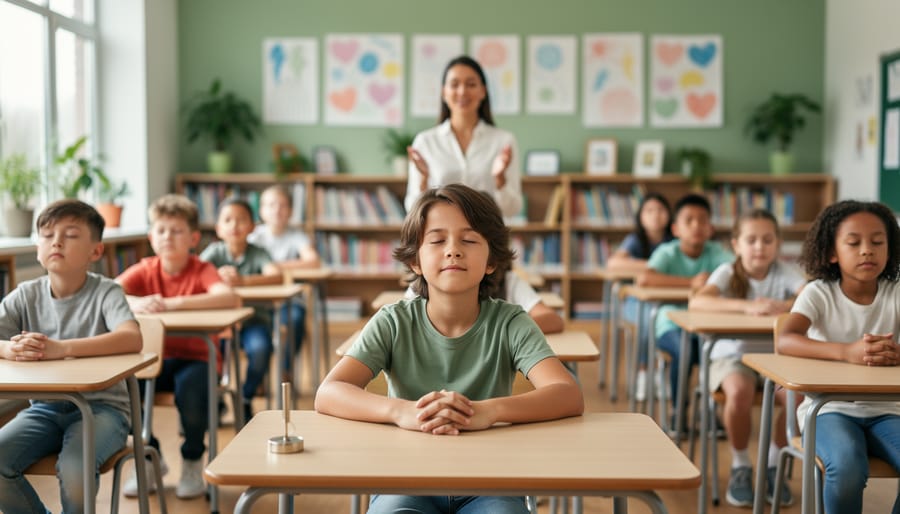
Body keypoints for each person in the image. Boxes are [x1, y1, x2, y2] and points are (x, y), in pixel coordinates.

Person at [315, 184, 583, 514]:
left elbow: (568, 393)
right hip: (406, 478)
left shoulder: (511, 321)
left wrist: (489, 411)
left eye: (469, 240)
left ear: (491, 262)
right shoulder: (393, 321)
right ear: (415, 261)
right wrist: (401, 412)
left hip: (491, 481)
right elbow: (328, 392)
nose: (453, 250)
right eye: (438, 240)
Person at [0, 200, 143, 514]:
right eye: (47, 235)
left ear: (96, 252)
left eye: (71, 234)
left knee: (75, 471)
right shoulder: (25, 294)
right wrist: (8, 348)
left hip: (103, 410)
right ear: (37, 248)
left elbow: (132, 337)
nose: (57, 241)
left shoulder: (106, 292)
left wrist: (63, 349)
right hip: (44, 409)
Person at [777, 200, 900, 514]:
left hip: (889, 409)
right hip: (829, 409)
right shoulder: (818, 292)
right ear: (832, 252)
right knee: (846, 468)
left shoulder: (895, 291)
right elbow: (786, 338)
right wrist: (847, 352)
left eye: (877, 242)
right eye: (853, 242)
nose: (866, 251)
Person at [117, 194, 239, 500]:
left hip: (197, 359)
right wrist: (139, 302)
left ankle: (192, 459)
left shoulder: (201, 269)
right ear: (150, 237)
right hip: (152, 359)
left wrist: (172, 304)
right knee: (120, 388)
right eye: (160, 230)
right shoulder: (145, 269)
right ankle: (148, 459)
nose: (167, 237)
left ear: (194, 238)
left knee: (192, 392)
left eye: (176, 230)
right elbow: (107, 293)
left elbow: (228, 297)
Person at [689, 209, 805, 507]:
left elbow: (809, 298)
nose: (759, 247)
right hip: (733, 355)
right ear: (736, 245)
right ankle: (741, 463)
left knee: (797, 398)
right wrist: (747, 307)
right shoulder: (728, 272)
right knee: (738, 393)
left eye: (767, 240)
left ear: (778, 244)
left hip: (776, 358)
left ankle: (773, 463)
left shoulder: (784, 272)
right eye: (751, 240)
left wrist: (784, 305)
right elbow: (698, 300)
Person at [638, 193, 733, 423]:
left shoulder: (716, 252)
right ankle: (678, 411)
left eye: (702, 220)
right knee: (686, 349)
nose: (696, 226)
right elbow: (645, 278)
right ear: (675, 228)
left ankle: (709, 410)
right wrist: (690, 283)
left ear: (710, 228)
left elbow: (738, 270)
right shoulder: (668, 252)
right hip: (669, 321)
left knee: (713, 350)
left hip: (706, 324)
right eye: (688, 220)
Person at [404, 55, 522, 218]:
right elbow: (412, 209)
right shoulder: (425, 142)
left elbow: (512, 209)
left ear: (483, 91)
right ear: (444, 92)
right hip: (441, 236)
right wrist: (424, 180)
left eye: (471, 84)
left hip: (485, 237)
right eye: (454, 84)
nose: (462, 91)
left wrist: (499, 179)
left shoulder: (503, 142)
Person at [200, 198, 282, 421]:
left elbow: (276, 275)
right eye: (228, 220)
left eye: (242, 220)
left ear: (252, 227)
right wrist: (218, 279)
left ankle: (245, 397)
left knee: (260, 350)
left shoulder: (258, 252)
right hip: (220, 324)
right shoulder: (214, 252)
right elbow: (195, 276)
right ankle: (215, 399)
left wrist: (243, 281)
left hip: (254, 322)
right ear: (218, 228)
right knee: (208, 353)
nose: (234, 225)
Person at [248, 185, 320, 381]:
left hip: (289, 301)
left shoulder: (296, 235)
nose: (277, 210)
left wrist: (273, 266)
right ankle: (260, 376)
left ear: (290, 211)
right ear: (261, 210)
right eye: (271, 205)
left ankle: (285, 370)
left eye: (283, 205)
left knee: (296, 319)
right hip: (259, 302)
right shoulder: (254, 237)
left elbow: (313, 261)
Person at [606, 193, 673, 400]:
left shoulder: (675, 241)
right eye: (649, 210)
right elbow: (614, 264)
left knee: (670, 322)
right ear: (641, 216)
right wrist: (655, 265)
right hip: (636, 301)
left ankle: (662, 372)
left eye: (661, 210)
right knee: (647, 321)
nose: (655, 215)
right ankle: (644, 372)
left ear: (670, 215)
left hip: (666, 300)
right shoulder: (635, 240)